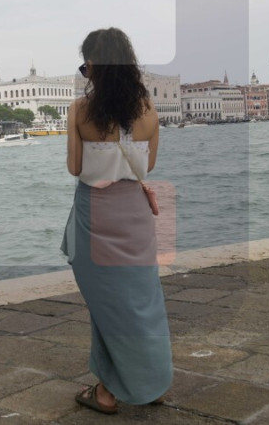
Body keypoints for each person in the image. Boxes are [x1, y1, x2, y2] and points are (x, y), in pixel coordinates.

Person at [61, 27, 172, 414]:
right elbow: (149, 165)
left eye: (85, 68)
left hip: (96, 215)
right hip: (135, 216)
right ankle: (152, 385)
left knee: (107, 307)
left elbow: (75, 167)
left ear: (93, 66)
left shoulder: (79, 110)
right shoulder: (148, 109)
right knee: (144, 302)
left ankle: (107, 392)